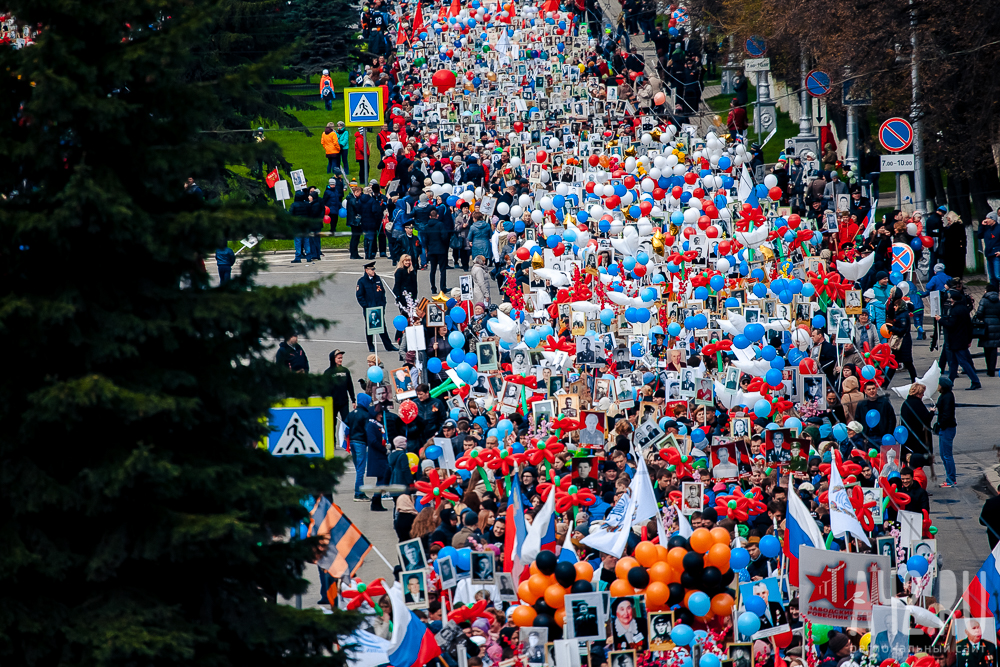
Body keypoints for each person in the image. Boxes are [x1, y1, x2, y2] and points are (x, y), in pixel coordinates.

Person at [937, 289, 981, 389]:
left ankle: (975, 381)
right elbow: (969, 325)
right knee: (953, 362)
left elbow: (951, 324)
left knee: (962, 361)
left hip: (956, 339)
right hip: (962, 338)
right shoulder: (964, 309)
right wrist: (969, 339)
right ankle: (950, 382)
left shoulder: (955, 310)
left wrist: (941, 320)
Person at [356, 262, 398, 353]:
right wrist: (366, 306)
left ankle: (388, 345)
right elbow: (360, 296)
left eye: (374, 269)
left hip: (379, 307)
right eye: (372, 269)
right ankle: (371, 345)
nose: (373, 271)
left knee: (382, 326)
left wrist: (383, 303)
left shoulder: (377, 279)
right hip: (369, 308)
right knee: (369, 328)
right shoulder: (362, 281)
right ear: (366, 270)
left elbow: (381, 292)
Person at [346, 393, 373, 502]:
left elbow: (346, 428)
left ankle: (359, 491)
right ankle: (359, 493)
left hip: (352, 441)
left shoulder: (351, 414)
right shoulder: (366, 415)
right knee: (360, 470)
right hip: (361, 442)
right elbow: (368, 430)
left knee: (358, 468)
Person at [935, 378, 957, 488]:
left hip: (946, 428)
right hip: (946, 428)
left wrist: (940, 424)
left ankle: (951, 479)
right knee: (944, 455)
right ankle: (950, 478)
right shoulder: (946, 395)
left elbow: (946, 414)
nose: (937, 386)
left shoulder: (947, 397)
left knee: (947, 455)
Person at [324, 349, 355, 423]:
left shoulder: (345, 371)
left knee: (346, 422)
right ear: (333, 359)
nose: (341, 360)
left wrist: (353, 400)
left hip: (344, 402)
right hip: (332, 402)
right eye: (339, 358)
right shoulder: (328, 372)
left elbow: (350, 386)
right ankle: (332, 435)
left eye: (341, 358)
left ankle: (346, 435)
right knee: (332, 423)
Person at [975, 283, 1000, 376]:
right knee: (994, 348)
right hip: (996, 325)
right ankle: (992, 369)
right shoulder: (998, 301)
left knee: (987, 348)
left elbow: (979, 313)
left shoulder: (984, 300)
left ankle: (988, 368)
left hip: (985, 327)